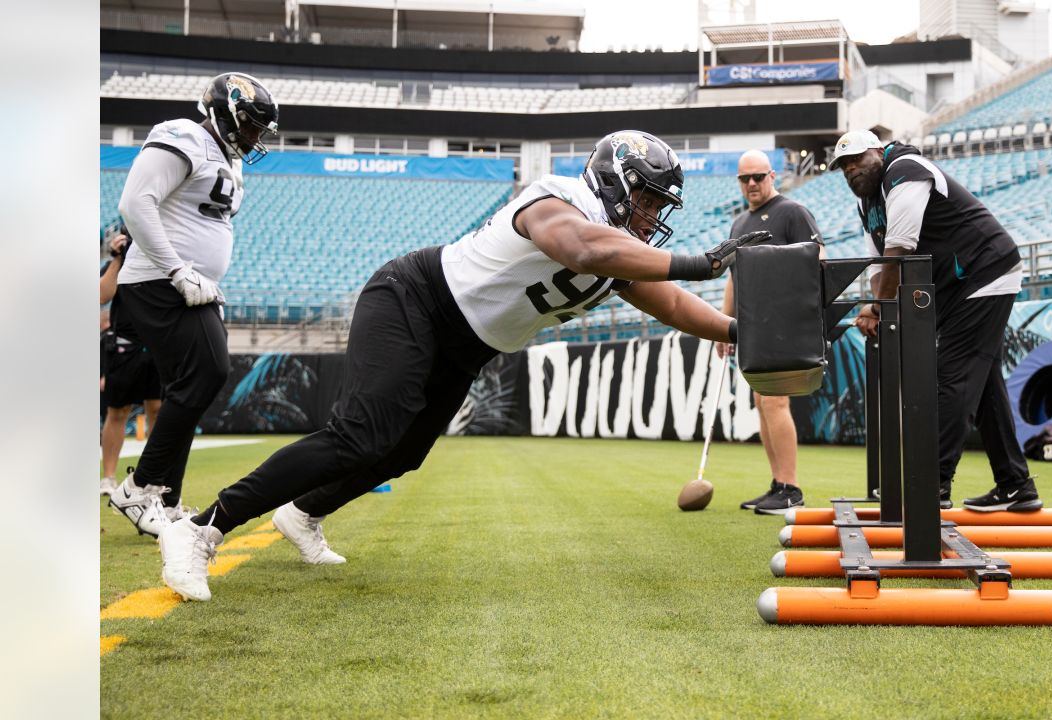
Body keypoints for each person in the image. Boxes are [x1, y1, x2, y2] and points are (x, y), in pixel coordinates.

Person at [158, 130, 772, 601]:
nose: (649, 215)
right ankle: (200, 527)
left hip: (466, 343)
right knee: (362, 434)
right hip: (415, 298)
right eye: (644, 197)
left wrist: (742, 332)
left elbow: (669, 304)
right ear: (613, 180)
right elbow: (579, 246)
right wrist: (702, 263)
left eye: (656, 204)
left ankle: (303, 513)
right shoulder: (559, 197)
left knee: (403, 451)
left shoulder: (621, 253)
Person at [833, 129, 1042, 513]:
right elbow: (880, 268)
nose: (851, 170)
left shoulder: (905, 170)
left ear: (878, 152)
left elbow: (900, 249)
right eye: (844, 166)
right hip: (959, 288)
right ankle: (1016, 485)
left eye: (857, 160)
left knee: (952, 377)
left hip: (984, 272)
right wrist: (874, 305)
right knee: (984, 385)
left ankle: (931, 484)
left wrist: (878, 309)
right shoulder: (868, 204)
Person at [108, 72, 279, 538]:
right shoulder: (182, 136)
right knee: (207, 373)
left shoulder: (228, 158)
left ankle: (165, 495)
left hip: (191, 284)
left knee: (194, 384)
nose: (254, 138)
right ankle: (140, 487)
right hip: (159, 280)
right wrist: (177, 269)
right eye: (249, 126)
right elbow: (135, 203)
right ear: (224, 112)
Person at [715, 150, 825, 515]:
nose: (751, 184)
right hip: (753, 324)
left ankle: (791, 488)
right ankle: (778, 484)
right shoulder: (738, 225)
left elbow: (818, 258)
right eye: (744, 178)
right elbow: (734, 279)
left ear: (772, 176)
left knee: (776, 401)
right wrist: (722, 326)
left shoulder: (792, 212)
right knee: (763, 402)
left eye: (757, 177)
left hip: (787, 322)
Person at [99, 231, 163, 496]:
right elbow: (102, 296)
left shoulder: (161, 256)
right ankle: (108, 477)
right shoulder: (120, 261)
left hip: (157, 342)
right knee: (117, 411)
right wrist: (116, 258)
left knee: (157, 410)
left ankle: (153, 477)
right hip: (125, 345)